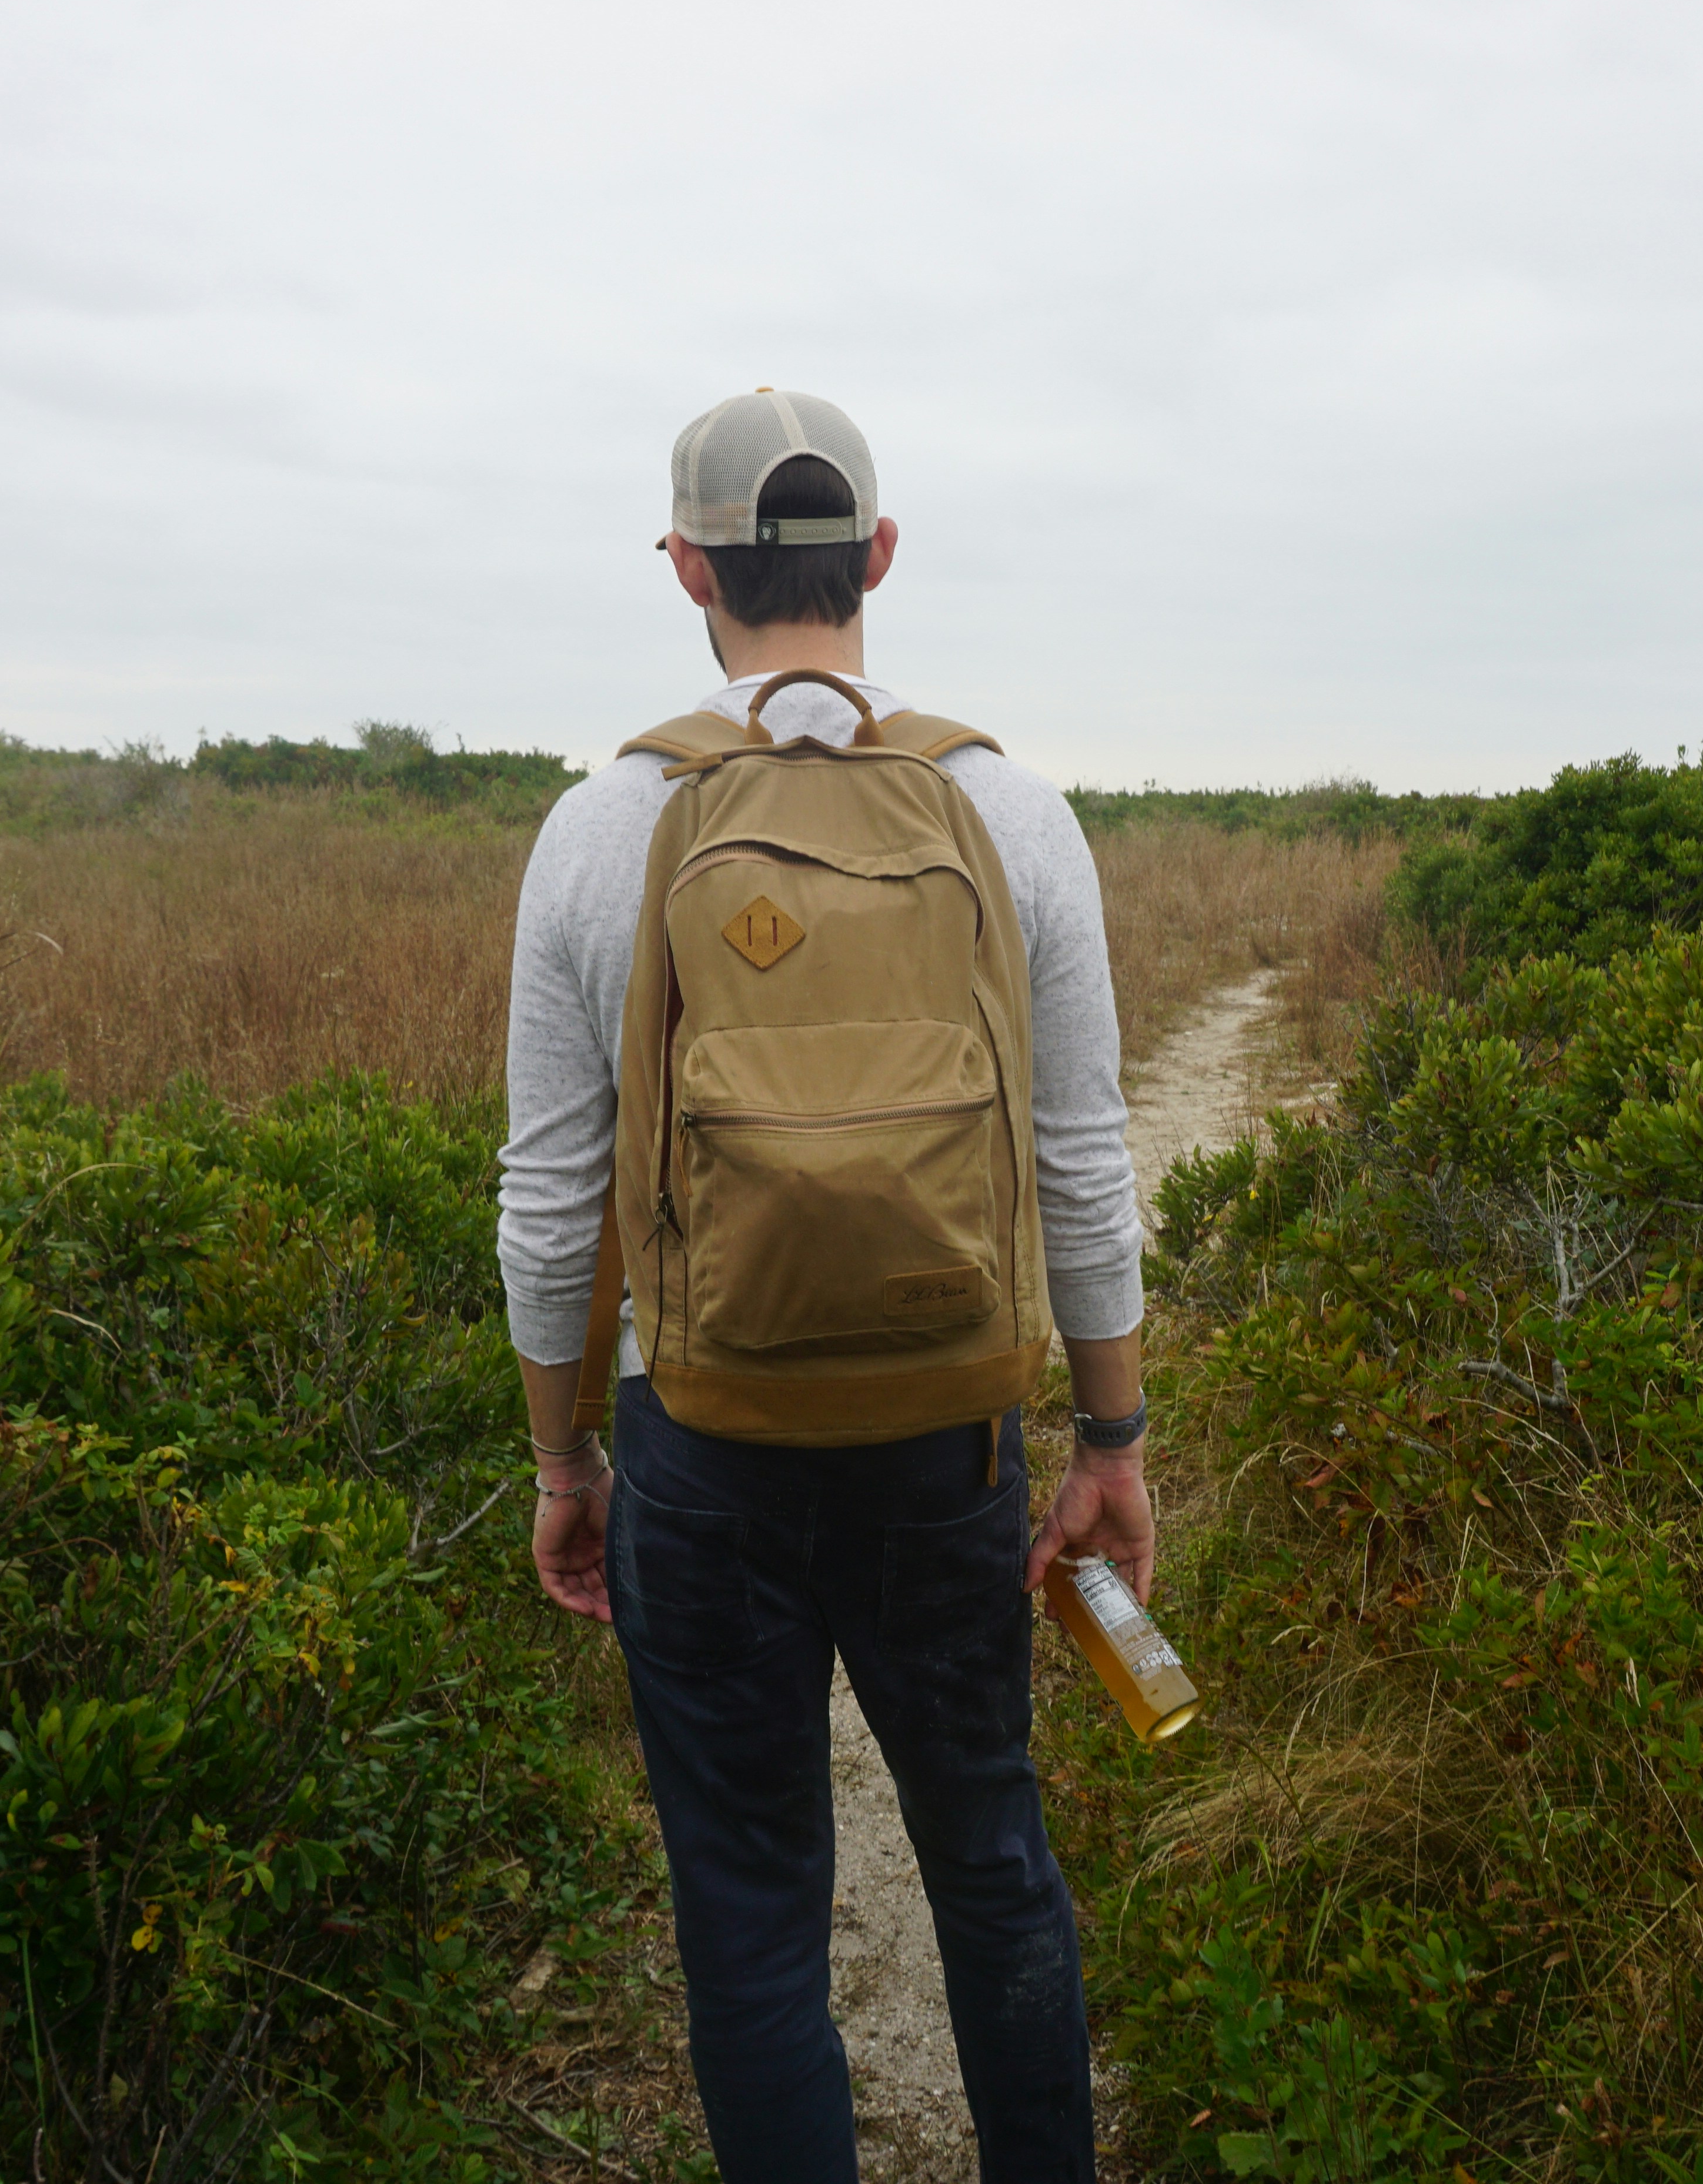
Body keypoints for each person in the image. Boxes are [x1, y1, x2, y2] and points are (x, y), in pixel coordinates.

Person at [495, 388, 1153, 2183]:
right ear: (874, 558)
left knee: (756, 1915)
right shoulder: (1009, 815)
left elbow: (553, 1211)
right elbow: (1083, 1164)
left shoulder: (596, 829)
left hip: (698, 1447)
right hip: (946, 1433)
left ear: (689, 568)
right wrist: (1111, 1433)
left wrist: (567, 1469)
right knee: (994, 1861)